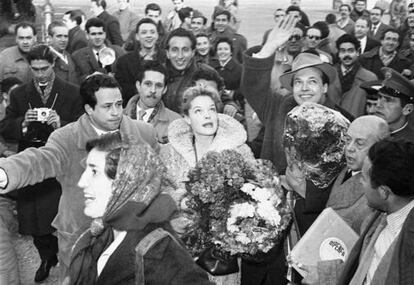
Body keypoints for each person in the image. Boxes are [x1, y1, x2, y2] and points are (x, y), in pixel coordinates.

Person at [0, 73, 158, 282]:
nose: (116, 112)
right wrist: (6, 172)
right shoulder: (66, 138)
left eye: (119, 104)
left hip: (129, 236)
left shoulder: (144, 133)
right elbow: (40, 160)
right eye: (107, 106)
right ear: (89, 109)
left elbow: (158, 177)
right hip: (80, 237)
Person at [241, 16, 352, 285]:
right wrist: (268, 49)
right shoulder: (279, 106)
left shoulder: (343, 122)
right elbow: (251, 86)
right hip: (269, 213)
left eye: (312, 81)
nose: (304, 88)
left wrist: (303, 189)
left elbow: (346, 179)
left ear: (325, 87)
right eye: (299, 82)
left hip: (312, 218)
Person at [69, 133, 213, 285]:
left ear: (127, 182)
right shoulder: (106, 230)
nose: (81, 182)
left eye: (94, 172)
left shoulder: (162, 253)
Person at [0, 45, 83, 282]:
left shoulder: (72, 93)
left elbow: (84, 128)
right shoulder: (19, 94)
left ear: (54, 65)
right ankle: (47, 257)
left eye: (44, 68)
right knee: (35, 218)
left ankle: (69, 257)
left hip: (62, 161)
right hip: (31, 161)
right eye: (34, 69)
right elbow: (5, 126)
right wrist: (23, 124)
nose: (40, 74)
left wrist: (62, 123)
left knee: (64, 214)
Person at [160, 85, 254, 285]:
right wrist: (177, 207)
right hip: (179, 247)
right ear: (186, 118)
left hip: (221, 253)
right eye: (198, 111)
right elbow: (159, 191)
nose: (207, 116)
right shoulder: (169, 152)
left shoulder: (239, 151)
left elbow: (254, 193)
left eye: (212, 109)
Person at [336, 138, 414, 285]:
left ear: (384, 192)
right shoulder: (379, 217)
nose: (359, 182)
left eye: (364, 178)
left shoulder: (408, 243)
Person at [124, 61, 181, 144]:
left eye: (158, 86)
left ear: (165, 89)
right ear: (138, 85)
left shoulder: (175, 122)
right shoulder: (118, 118)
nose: (153, 90)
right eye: (148, 84)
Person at [163, 28, 216, 114]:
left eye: (185, 50)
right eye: (175, 50)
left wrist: (231, 105)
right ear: (167, 53)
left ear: (193, 52)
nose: (180, 56)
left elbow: (222, 99)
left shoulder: (206, 73)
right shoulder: (158, 74)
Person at [115, 18, 166, 105]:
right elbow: (122, 89)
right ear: (137, 36)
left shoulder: (166, 58)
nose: (149, 35)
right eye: (144, 32)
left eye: (152, 32)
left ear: (157, 35)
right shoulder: (124, 62)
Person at [328, 34, 377, 118]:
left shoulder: (370, 78)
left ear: (358, 52)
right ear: (338, 53)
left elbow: (372, 110)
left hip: (356, 126)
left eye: (350, 51)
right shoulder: (329, 74)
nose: (346, 55)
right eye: (343, 51)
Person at [374, 67, 414, 142]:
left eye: (388, 100)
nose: (379, 105)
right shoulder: (367, 131)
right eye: (379, 97)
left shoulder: (410, 145)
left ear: (407, 109)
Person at [210, 37, 243, 119]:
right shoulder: (211, 67)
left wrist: (233, 93)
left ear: (231, 51)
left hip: (234, 107)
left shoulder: (240, 69)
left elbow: (244, 89)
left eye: (226, 49)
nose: (222, 52)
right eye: (220, 49)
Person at [47, 21, 80, 85]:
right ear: (50, 38)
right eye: (59, 36)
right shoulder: (46, 58)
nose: (63, 40)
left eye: (66, 36)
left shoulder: (70, 57)